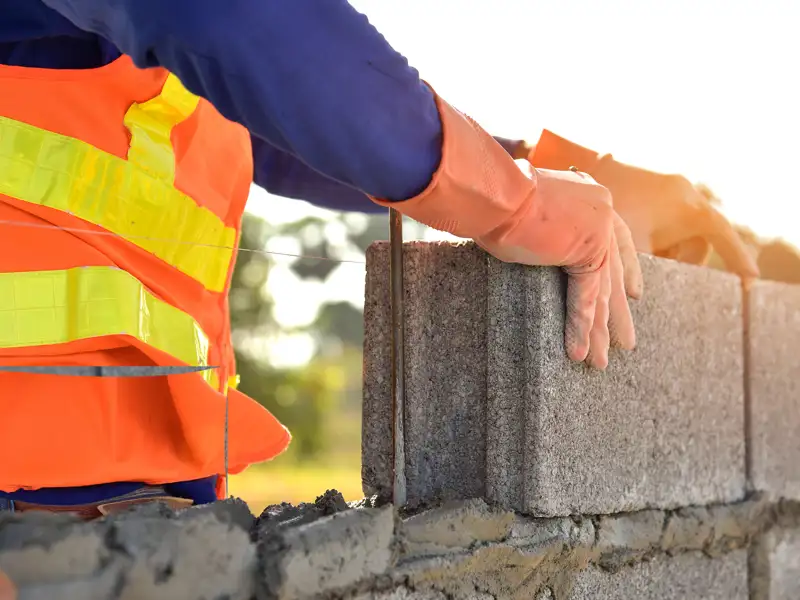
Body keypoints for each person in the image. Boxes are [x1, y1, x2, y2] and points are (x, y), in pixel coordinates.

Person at [0, 0, 755, 518]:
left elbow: (263, 115)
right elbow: (232, 22)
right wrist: (513, 202)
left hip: (117, 514)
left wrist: (544, 166)